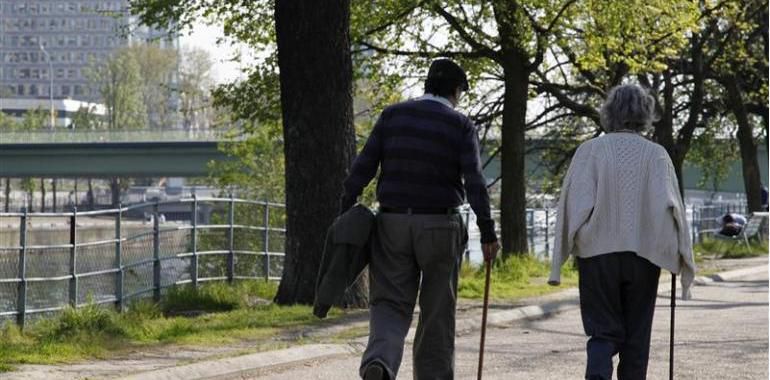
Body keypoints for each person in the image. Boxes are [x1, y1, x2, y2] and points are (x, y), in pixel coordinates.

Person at [339, 58, 500, 380]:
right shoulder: (460, 125)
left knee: (389, 304)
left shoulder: (392, 116)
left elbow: (364, 166)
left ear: (427, 84)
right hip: (441, 226)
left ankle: (380, 362)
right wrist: (487, 231)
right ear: (455, 91)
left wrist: (347, 205)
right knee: (437, 312)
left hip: (392, 223)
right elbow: (474, 182)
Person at [548, 84, 696, 380]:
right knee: (636, 339)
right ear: (646, 115)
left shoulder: (589, 151)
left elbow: (571, 204)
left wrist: (559, 258)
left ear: (609, 113)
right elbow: (674, 210)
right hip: (644, 256)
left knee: (602, 333)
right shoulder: (657, 156)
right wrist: (680, 257)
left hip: (597, 255)